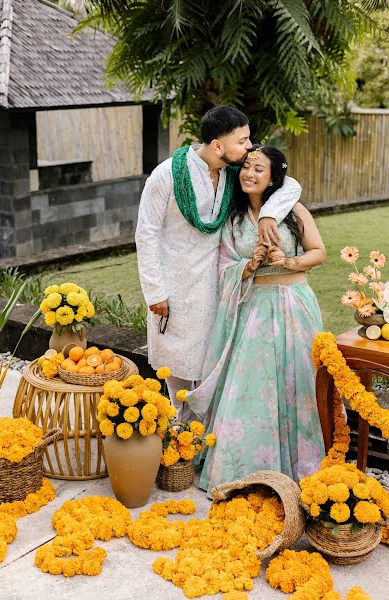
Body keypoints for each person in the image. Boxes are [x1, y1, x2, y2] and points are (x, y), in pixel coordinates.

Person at [135, 106, 302, 420]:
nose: (249, 146)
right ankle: (179, 445)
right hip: (174, 288)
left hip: (222, 286)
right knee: (177, 367)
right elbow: (146, 234)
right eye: (242, 141)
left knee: (213, 365)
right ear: (217, 146)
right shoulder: (167, 174)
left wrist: (268, 214)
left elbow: (289, 184)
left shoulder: (233, 174)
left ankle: (206, 441)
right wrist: (155, 291)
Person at [187, 144, 326, 496]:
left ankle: (299, 470)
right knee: (252, 389)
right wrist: (248, 266)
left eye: (258, 168)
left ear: (274, 177)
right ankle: (246, 469)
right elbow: (223, 268)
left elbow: (319, 253)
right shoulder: (233, 221)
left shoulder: (293, 211)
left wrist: (287, 261)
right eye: (246, 166)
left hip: (293, 306)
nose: (249, 173)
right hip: (252, 311)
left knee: (298, 382)